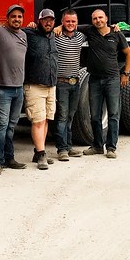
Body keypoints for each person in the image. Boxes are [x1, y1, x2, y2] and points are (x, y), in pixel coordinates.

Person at [80, 9, 130, 159]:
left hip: (112, 80)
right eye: (95, 18)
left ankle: (111, 147)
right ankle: (97, 146)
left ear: (106, 18)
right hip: (95, 80)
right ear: (92, 21)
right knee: (95, 115)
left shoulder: (116, 33)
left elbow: (129, 54)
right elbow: (70, 26)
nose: (98, 20)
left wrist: (126, 73)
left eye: (100, 17)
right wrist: (58, 27)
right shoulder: (89, 31)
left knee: (113, 114)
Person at [0, 4, 28, 174]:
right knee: (1, 126)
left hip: (18, 89)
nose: (17, 19)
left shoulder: (24, 35)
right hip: (2, 89)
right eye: (13, 16)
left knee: (12, 126)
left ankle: (9, 158)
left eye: (20, 17)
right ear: (7, 18)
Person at [23, 8, 59, 169]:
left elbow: (74, 26)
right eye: (45, 19)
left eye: (51, 20)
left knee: (45, 121)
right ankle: (42, 154)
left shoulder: (53, 35)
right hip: (34, 86)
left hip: (51, 85)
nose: (48, 22)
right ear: (39, 20)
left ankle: (39, 152)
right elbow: (9, 28)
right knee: (37, 121)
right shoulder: (29, 34)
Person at [53, 9, 87, 161]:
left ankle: (69, 146)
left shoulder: (80, 36)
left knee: (71, 117)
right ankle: (62, 150)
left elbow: (94, 28)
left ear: (77, 22)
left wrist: (114, 27)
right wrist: (57, 28)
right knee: (62, 117)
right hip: (61, 84)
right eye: (67, 21)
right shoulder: (56, 36)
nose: (70, 24)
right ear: (62, 21)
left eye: (73, 21)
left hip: (76, 83)